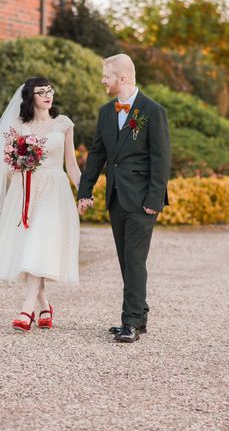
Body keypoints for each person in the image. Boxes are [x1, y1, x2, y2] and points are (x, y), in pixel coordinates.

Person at [0, 77, 81, 332]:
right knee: (29, 248)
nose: (48, 95)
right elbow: (4, 167)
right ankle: (45, 305)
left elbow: (71, 165)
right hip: (24, 191)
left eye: (50, 90)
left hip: (53, 192)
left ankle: (26, 310)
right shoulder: (17, 126)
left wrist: (86, 192)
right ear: (30, 97)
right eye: (41, 92)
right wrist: (18, 164)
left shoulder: (63, 123)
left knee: (37, 242)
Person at [77, 54, 171, 343]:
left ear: (124, 78)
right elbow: (97, 153)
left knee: (134, 259)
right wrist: (85, 189)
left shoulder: (153, 111)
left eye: (107, 75)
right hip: (116, 198)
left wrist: (154, 199)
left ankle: (130, 322)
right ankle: (139, 316)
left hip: (143, 199)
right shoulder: (107, 112)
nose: (103, 80)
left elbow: (161, 158)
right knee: (125, 259)